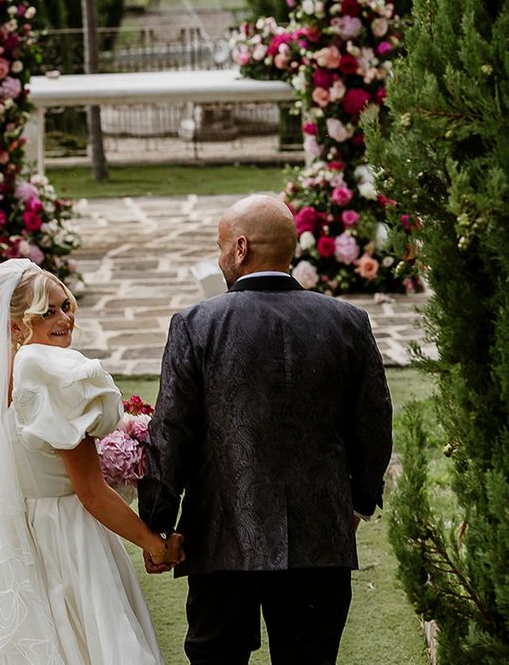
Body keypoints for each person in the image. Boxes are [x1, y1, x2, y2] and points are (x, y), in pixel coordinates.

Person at [138, 194, 393, 665]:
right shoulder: (348, 322)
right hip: (320, 540)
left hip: (221, 539)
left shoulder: (196, 325)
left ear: (239, 248)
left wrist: (156, 523)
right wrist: (357, 502)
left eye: (219, 248)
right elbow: (374, 425)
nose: (219, 259)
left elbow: (171, 432)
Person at [0, 257, 182, 664]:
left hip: (5, 541)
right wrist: (154, 544)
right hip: (67, 536)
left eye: (66, 306)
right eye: (47, 312)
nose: (64, 319)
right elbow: (91, 493)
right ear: (16, 325)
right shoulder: (52, 376)